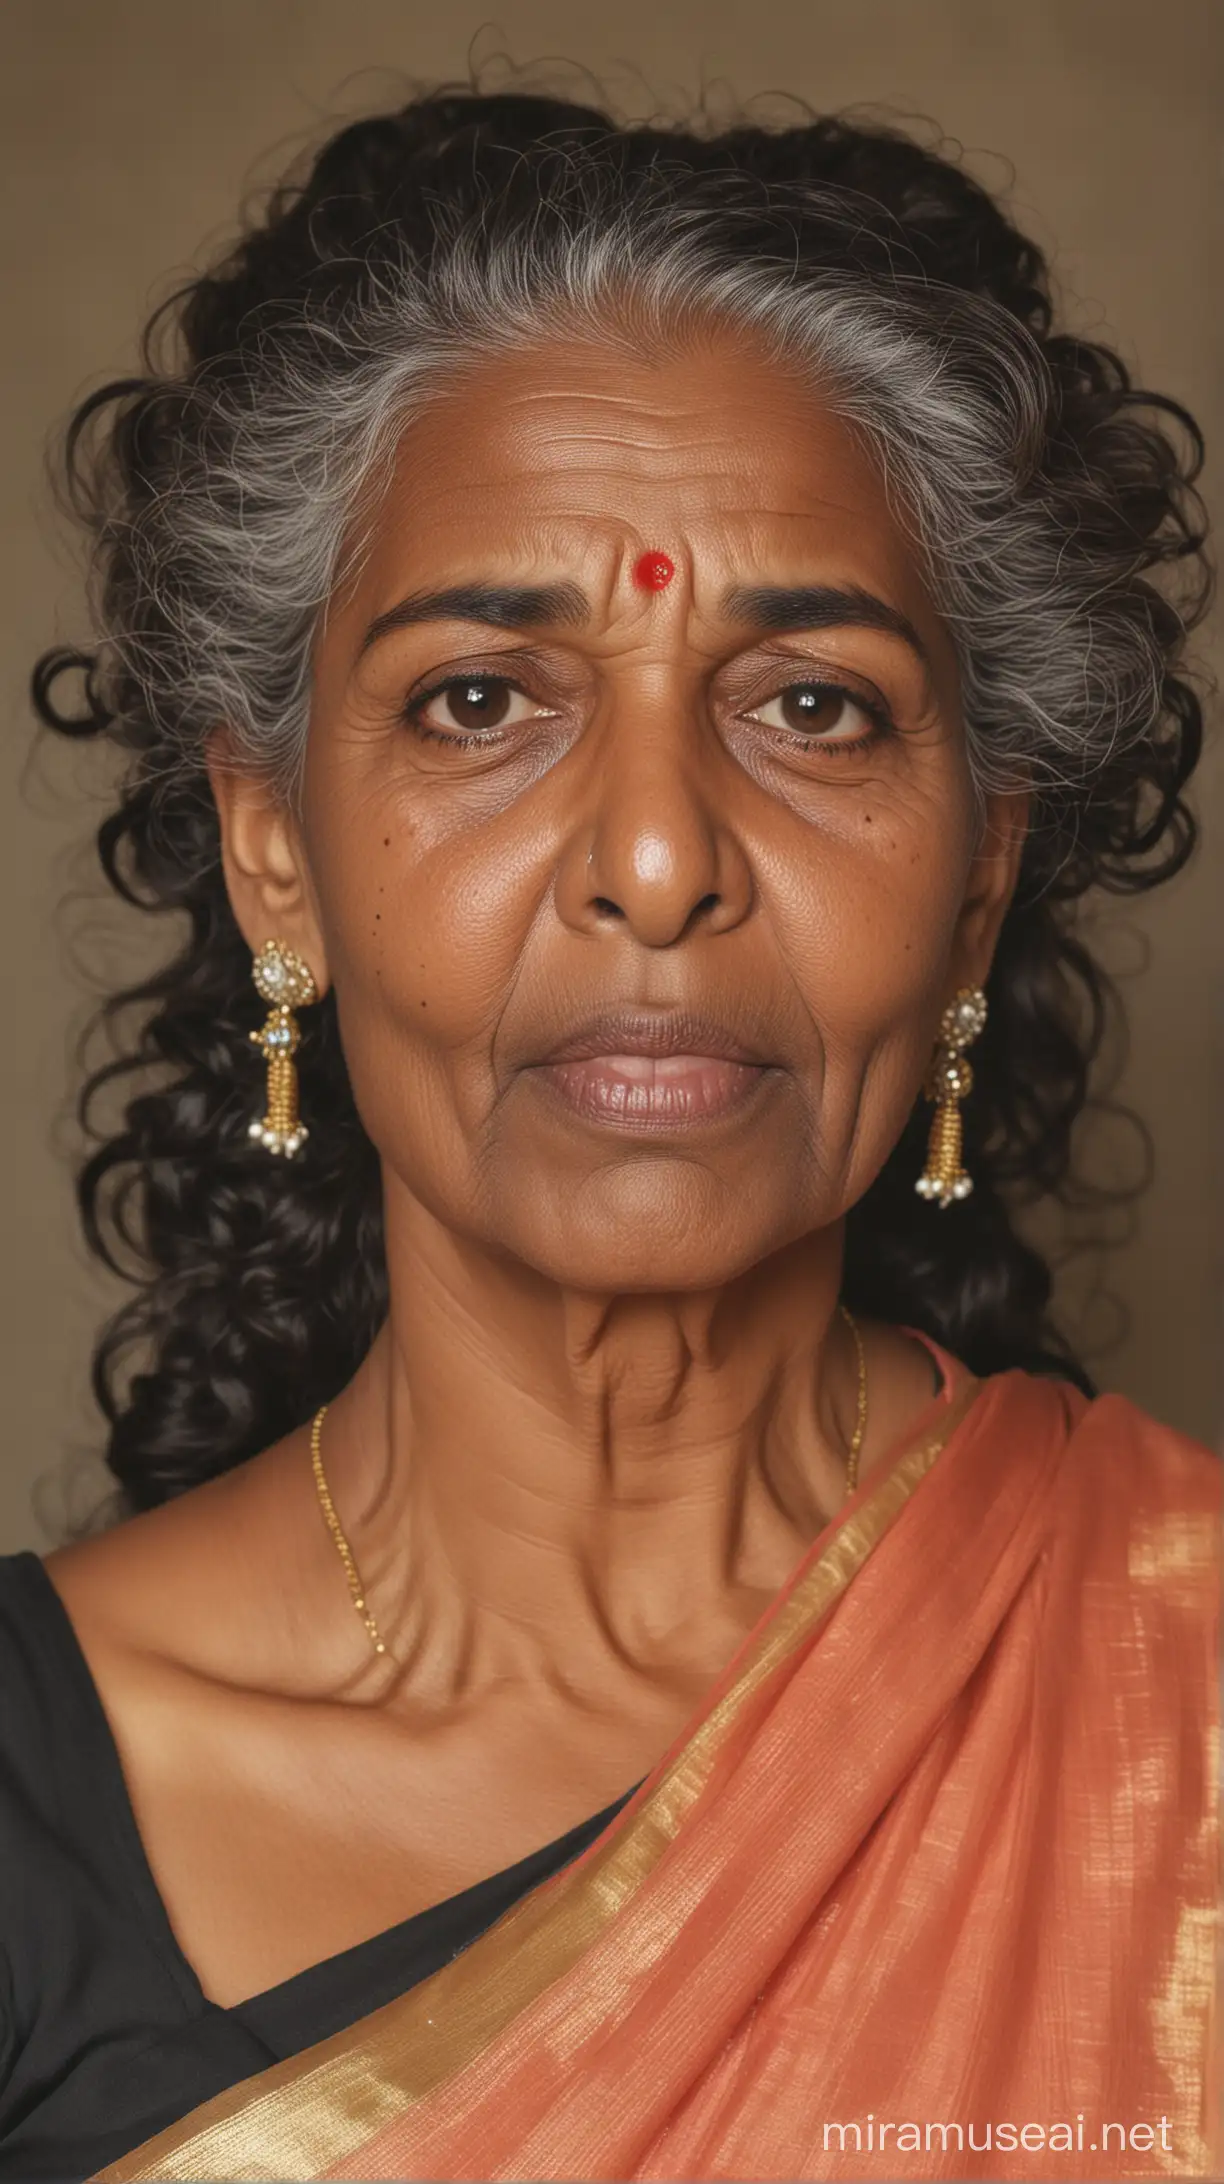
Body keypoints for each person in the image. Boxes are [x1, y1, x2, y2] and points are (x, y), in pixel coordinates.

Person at [4, 83, 1217, 2184]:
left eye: (812, 703)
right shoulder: (31, 1796)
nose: (657, 859)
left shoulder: (1183, 1697)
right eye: (484, 697)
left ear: (981, 876)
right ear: (272, 850)